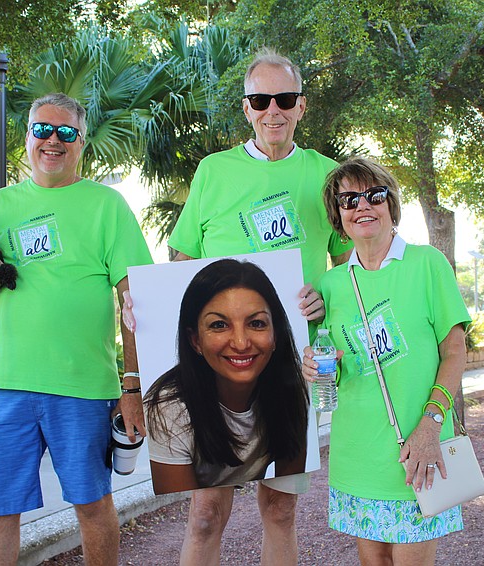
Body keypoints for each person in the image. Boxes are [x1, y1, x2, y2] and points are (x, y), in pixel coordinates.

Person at [124, 48, 352, 565]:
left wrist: (324, 299)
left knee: (280, 511)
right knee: (206, 514)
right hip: (215, 371)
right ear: (246, 108)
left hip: (291, 368)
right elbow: (180, 261)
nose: (274, 110)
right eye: (260, 99)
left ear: (302, 106)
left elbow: (348, 266)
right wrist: (150, 312)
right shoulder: (214, 171)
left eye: (285, 98)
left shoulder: (327, 176)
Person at [0, 93, 152, 565]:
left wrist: (133, 384)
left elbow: (136, 299)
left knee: (94, 507)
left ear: (81, 142)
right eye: (42, 130)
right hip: (5, 387)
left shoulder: (107, 206)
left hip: (81, 386)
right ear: (27, 139)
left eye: (65, 132)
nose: (52, 140)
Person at [301, 158, 470, 564]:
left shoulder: (428, 263)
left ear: (391, 205)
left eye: (374, 195)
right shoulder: (331, 285)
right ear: (338, 217)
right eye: (349, 200)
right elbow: (340, 370)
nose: (362, 206)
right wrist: (317, 366)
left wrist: (431, 425)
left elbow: (455, 351)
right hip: (357, 455)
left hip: (420, 450)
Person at [144, 259, 308, 494]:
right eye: (219, 325)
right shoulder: (167, 408)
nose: (241, 343)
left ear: (276, 335)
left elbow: (285, 494)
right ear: (195, 341)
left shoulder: (293, 387)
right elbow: (181, 507)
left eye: (256, 323)